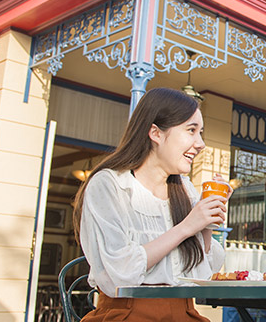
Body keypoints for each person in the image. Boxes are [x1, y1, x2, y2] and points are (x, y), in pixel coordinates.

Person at [72, 88, 226, 321]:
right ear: (155, 132)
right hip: (126, 313)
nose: (201, 143)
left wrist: (206, 221)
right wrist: (186, 226)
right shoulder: (111, 184)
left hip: (184, 312)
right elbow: (121, 270)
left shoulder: (184, 189)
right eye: (191, 130)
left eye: (201, 133)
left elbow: (205, 270)